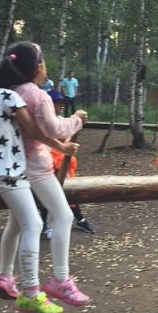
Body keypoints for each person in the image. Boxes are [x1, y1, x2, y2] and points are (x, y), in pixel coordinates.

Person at [0, 49, 77, 313]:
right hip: (6, 171)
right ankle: (31, 293)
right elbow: (34, 130)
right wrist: (62, 147)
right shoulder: (8, 96)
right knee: (33, 224)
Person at [0, 42, 91, 308]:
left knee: (17, 222)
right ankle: (60, 279)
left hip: (12, 167)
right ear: (38, 67)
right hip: (37, 167)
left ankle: (5, 275)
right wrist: (77, 119)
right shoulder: (37, 95)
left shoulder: (9, 92)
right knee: (63, 215)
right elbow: (53, 129)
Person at [41, 89, 94, 238]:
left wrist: (77, 125)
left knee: (68, 190)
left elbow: (68, 139)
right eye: (58, 103)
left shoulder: (62, 120)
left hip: (62, 161)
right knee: (47, 194)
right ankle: (47, 223)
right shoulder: (45, 121)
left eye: (62, 102)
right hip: (47, 162)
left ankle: (80, 219)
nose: (61, 105)